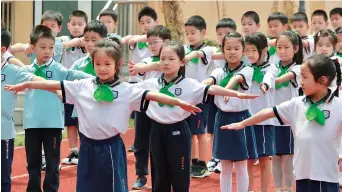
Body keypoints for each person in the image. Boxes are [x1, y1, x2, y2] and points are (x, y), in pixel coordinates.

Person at [4, 38, 202, 192]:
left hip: (111, 147)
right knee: (87, 187)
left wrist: (178, 102)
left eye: (107, 64)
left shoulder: (126, 90)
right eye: (97, 64)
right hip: (87, 147)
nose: (102, 68)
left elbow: (152, 95)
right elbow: (53, 85)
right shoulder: (83, 86)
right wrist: (27, 84)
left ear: (118, 64)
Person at [223, 54, 342, 192]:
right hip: (302, 173)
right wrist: (243, 124)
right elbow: (268, 112)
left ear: (322, 80)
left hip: (325, 175)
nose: (300, 81)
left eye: (304, 77)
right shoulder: (297, 104)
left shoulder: (338, 106)